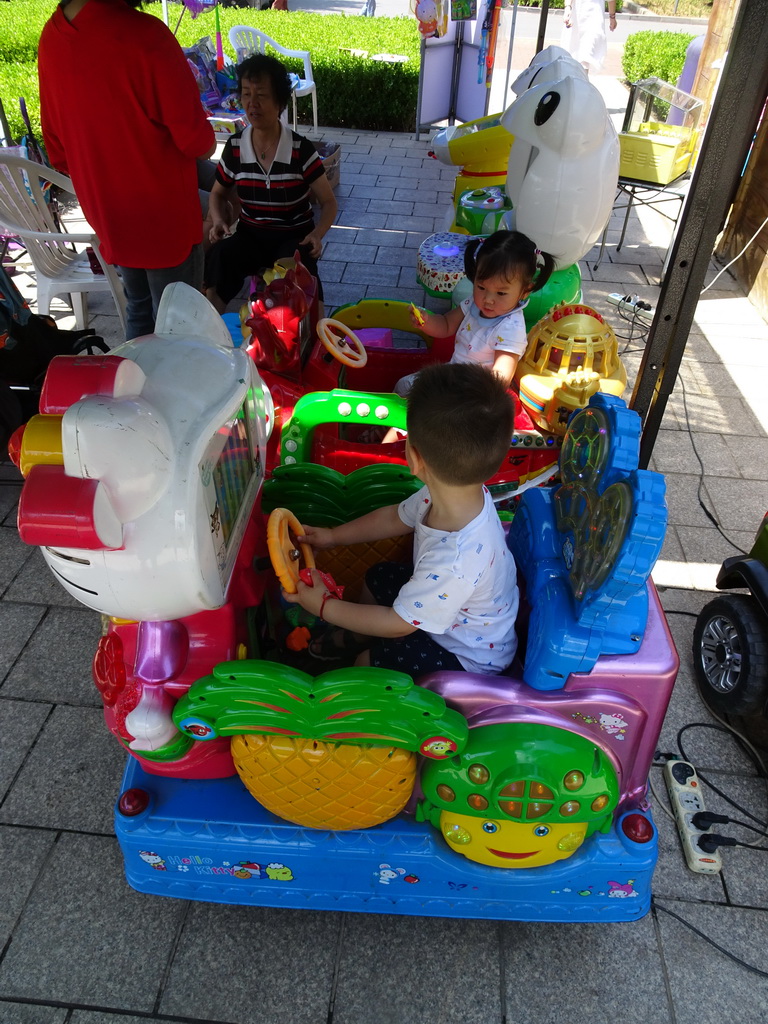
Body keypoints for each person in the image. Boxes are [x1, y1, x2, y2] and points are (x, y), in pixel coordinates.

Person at [283, 362, 520, 678]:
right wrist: (332, 535)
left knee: (365, 664)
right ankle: (358, 633)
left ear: (414, 457)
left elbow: (399, 625)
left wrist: (324, 608)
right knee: (378, 576)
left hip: (466, 656)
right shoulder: (452, 492)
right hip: (448, 614)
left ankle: (353, 667)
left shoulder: (455, 561)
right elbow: (394, 517)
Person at [37, 0, 217, 340]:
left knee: (139, 310)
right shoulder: (147, 36)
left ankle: (137, 390)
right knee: (180, 327)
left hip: (108, 215)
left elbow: (58, 151)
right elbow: (200, 144)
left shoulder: (52, 38)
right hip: (164, 221)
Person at [204, 54, 338, 313]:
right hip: (250, 235)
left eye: (261, 95)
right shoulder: (235, 148)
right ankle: (211, 331)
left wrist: (316, 235)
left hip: (293, 236)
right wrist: (219, 221)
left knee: (303, 286)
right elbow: (218, 194)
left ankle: (314, 336)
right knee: (221, 257)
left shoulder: (300, 149)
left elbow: (329, 202)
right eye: (246, 94)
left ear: (279, 102)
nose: (252, 104)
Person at [395, 229, 555, 398]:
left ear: (525, 292)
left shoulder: (510, 328)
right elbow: (446, 324)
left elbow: (501, 377)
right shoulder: (473, 303)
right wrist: (426, 322)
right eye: (481, 287)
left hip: (475, 392)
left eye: (500, 293)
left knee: (425, 406)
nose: (488, 299)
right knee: (404, 385)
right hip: (453, 376)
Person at [561, 0, 618, 75]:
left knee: (585, 56)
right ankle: (576, 83)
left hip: (592, 19)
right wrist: (568, 8)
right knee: (574, 55)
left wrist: (612, 17)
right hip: (579, 16)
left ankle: (580, 83)